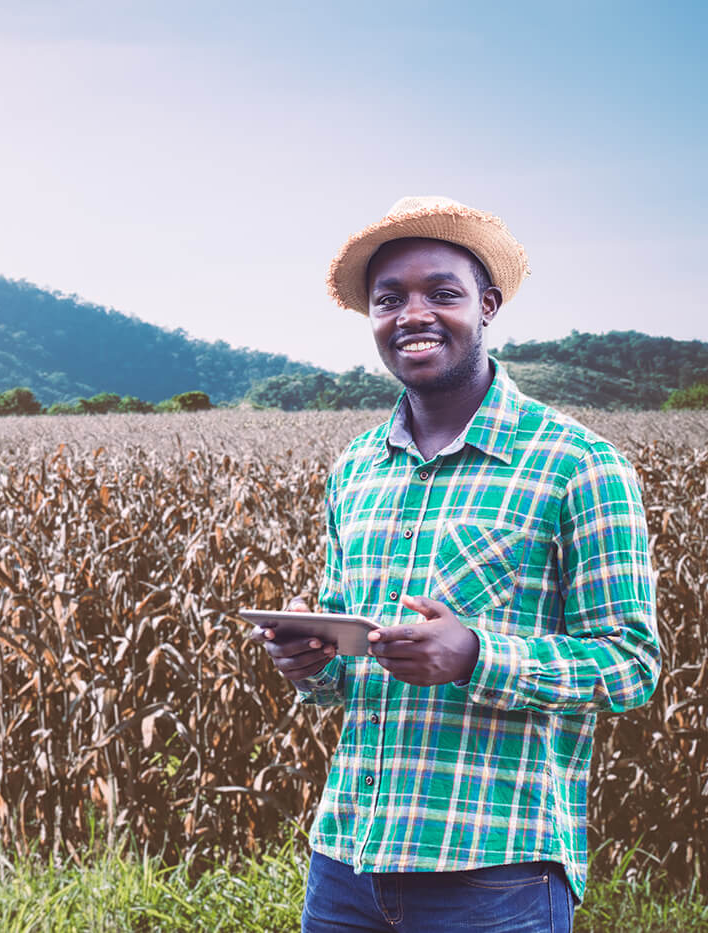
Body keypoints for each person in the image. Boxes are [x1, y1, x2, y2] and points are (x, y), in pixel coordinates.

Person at [250, 196, 660, 932]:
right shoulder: (356, 471)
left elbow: (630, 664)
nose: (413, 314)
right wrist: (311, 661)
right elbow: (348, 674)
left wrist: (477, 654)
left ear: (488, 305)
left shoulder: (578, 464)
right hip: (346, 864)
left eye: (442, 293)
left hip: (495, 876)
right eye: (389, 298)